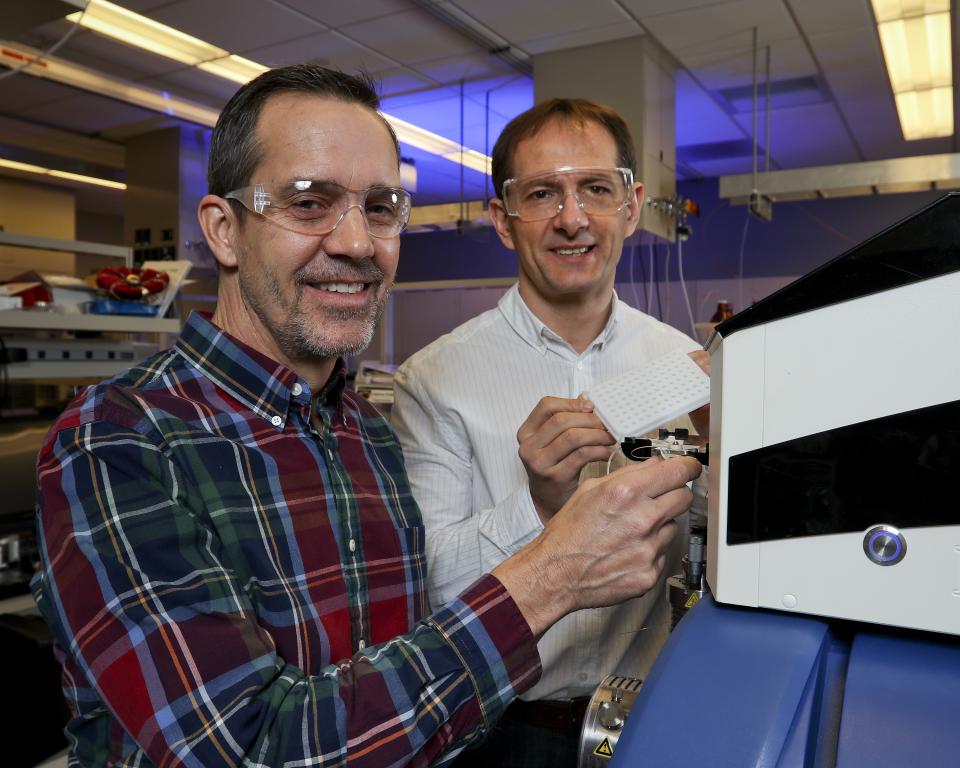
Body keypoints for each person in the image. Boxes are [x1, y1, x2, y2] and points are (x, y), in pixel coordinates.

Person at [31, 66, 701, 767]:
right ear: (224, 231)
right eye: (309, 202)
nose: (356, 243)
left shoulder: (363, 432)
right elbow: (247, 750)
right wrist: (549, 575)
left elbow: (407, 679)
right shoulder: (122, 439)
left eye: (380, 207)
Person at [392, 98, 708, 766]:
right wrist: (536, 505)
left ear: (630, 204)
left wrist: (738, 457)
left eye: (595, 188)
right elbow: (426, 590)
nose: (572, 218)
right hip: (497, 731)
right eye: (542, 194)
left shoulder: (683, 367)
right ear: (503, 222)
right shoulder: (434, 379)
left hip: (647, 716)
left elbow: (711, 547)